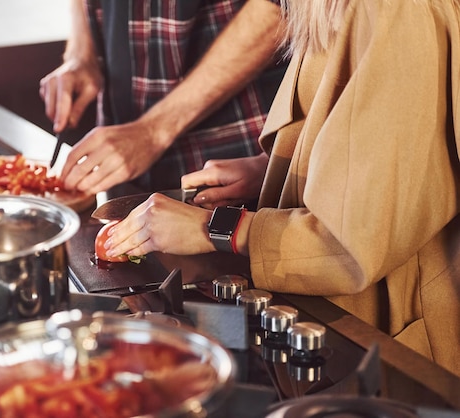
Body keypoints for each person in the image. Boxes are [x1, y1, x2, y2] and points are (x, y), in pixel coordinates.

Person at [102, 0, 460, 377]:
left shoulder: (399, 11)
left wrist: (214, 228)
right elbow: (391, 149)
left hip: (387, 351)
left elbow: (349, 245)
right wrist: (276, 170)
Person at [39, 0, 288, 196]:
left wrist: (152, 131)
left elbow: (285, 7)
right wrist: (81, 54)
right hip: (122, 159)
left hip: (235, 157)